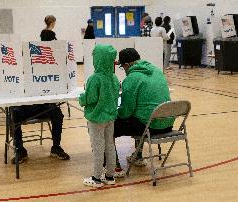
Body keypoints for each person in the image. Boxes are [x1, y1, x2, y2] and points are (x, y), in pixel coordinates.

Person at [11, 15, 70, 164]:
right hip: (27, 107)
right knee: (14, 114)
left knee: (58, 114)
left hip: (43, 105)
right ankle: (20, 150)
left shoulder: (50, 68)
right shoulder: (23, 70)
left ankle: (56, 147)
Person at [114, 48, 174, 168]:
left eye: (122, 67)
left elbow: (126, 112)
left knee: (108, 126)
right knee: (140, 114)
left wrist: (114, 113)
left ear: (126, 65)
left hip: (150, 127)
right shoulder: (156, 71)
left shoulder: (131, 78)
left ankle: (114, 166)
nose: (124, 70)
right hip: (167, 124)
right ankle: (138, 156)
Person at [79, 44, 120, 188]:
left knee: (97, 147)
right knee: (110, 146)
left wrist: (81, 98)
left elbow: (89, 98)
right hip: (110, 117)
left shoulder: (94, 79)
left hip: (96, 118)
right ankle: (110, 176)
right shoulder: (114, 78)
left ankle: (96, 178)